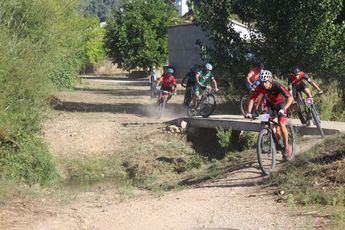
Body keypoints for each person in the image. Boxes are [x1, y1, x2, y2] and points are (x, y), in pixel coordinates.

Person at [245, 70, 294, 158]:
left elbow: (290, 98)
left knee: (282, 124)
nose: (264, 84)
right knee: (264, 121)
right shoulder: (260, 87)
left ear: (270, 80)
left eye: (266, 82)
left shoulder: (277, 85)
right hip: (269, 105)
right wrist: (249, 113)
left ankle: (286, 147)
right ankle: (272, 137)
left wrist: (284, 109)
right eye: (262, 82)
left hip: (281, 104)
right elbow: (252, 99)